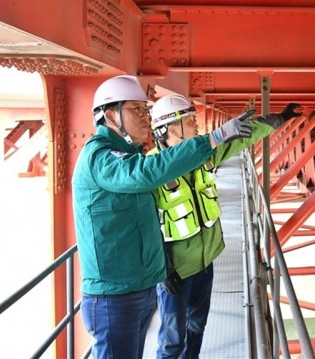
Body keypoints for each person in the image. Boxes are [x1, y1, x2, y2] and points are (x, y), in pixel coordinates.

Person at [71, 75, 255, 359]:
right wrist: (213, 138)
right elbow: (144, 173)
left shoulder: (129, 154)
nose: (146, 117)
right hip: (114, 295)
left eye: (146, 110)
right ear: (110, 115)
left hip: (139, 285)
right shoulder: (100, 157)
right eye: (137, 110)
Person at [147, 94, 301, 359]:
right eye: (190, 120)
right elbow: (143, 226)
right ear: (172, 128)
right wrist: (161, 269)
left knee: (197, 327)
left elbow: (241, 138)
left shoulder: (204, 153)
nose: (197, 125)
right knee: (172, 339)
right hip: (175, 272)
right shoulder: (149, 169)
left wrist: (278, 119)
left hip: (206, 262)